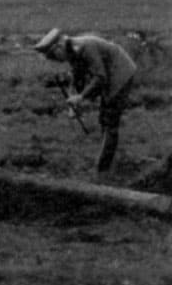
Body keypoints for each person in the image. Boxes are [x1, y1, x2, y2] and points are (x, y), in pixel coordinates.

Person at [34, 28, 139, 178]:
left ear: (59, 47)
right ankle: (107, 162)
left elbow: (100, 77)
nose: (57, 60)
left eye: (54, 56)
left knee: (110, 120)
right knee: (105, 119)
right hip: (110, 74)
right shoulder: (71, 51)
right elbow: (77, 77)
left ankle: (102, 171)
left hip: (121, 73)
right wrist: (73, 100)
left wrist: (81, 97)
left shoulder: (85, 47)